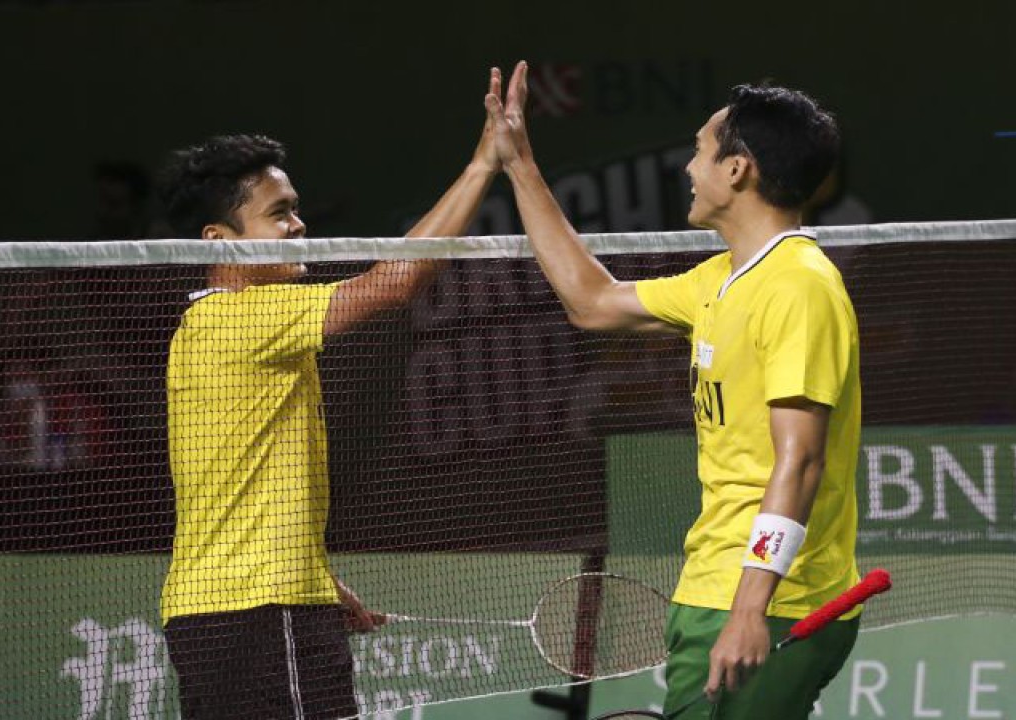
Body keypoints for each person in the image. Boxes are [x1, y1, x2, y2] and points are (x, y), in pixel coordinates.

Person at [486, 62, 861, 719]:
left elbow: (800, 459)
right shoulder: (723, 279)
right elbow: (592, 300)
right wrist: (519, 164)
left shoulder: (798, 287)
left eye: (699, 151)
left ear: (737, 169)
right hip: (719, 584)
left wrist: (750, 608)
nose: (687, 168)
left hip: (768, 597)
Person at [158, 70, 504, 720]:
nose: (299, 225)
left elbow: (244, 486)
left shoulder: (208, 325)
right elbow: (394, 282)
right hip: (260, 615)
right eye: (278, 213)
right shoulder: (240, 318)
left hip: (235, 610)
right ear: (219, 239)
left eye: (295, 208)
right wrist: (485, 164)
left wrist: (318, 581)